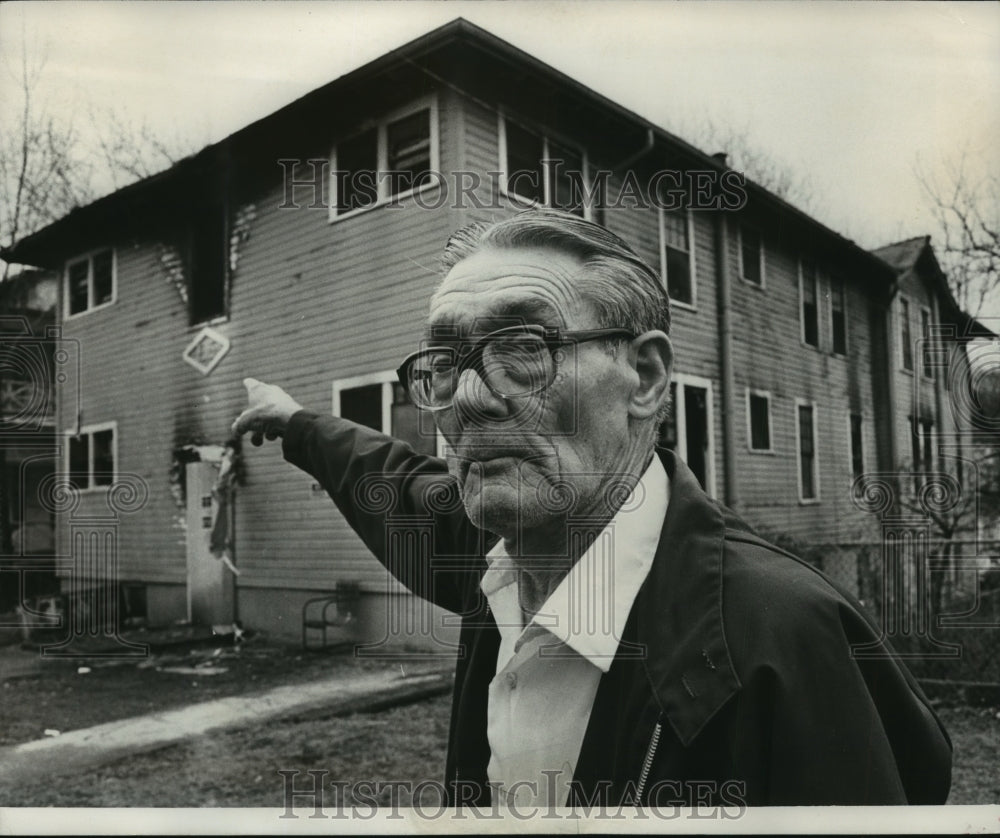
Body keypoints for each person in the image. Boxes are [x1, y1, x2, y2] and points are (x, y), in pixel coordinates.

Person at [233, 208, 951, 808]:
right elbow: (390, 483)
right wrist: (295, 422)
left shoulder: (782, 642)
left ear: (644, 377)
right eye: (446, 362)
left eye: (523, 346)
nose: (471, 397)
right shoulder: (495, 555)